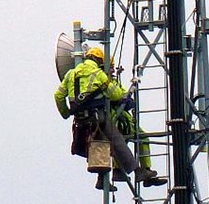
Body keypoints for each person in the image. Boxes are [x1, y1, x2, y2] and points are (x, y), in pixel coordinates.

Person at [54, 47, 163, 190]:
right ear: (99, 61)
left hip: (81, 121)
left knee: (99, 144)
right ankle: (138, 171)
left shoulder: (71, 74)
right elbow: (116, 95)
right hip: (98, 116)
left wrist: (66, 113)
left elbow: (58, 95)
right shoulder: (99, 75)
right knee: (117, 140)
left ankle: (102, 180)